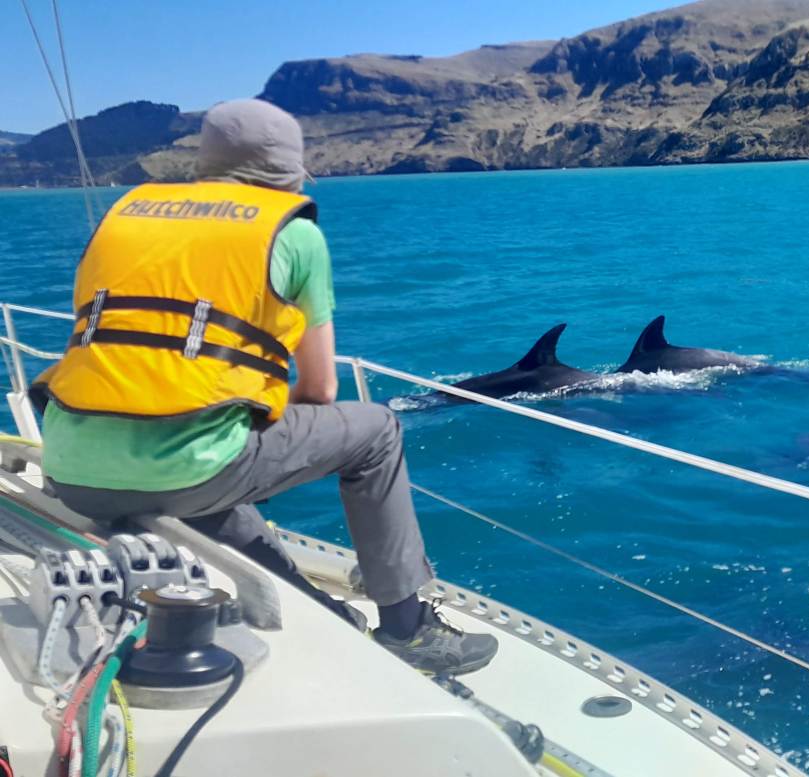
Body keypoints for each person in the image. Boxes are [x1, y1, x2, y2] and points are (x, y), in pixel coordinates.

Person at [31, 98, 497, 676]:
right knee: (376, 430)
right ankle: (408, 627)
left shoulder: (122, 215)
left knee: (210, 448)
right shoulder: (292, 233)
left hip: (71, 471)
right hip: (186, 470)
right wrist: (266, 440)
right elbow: (320, 389)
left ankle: (314, 605)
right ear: (287, 170)